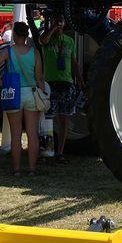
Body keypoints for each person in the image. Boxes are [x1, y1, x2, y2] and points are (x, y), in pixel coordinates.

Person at [0, 22, 46, 176]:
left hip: (14, 93)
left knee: (16, 134)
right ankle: (32, 169)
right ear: (27, 36)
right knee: (33, 134)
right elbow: (39, 79)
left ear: (13, 35)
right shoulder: (34, 53)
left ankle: (16, 169)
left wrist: (3, 84)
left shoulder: (8, 52)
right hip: (32, 93)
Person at [39, 12, 84, 163]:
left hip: (66, 83)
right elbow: (43, 40)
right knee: (48, 119)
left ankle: (60, 152)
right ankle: (47, 151)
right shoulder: (48, 38)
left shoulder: (69, 41)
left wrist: (81, 83)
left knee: (64, 119)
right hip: (50, 83)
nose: (59, 23)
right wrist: (53, 28)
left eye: (61, 21)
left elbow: (74, 63)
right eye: (56, 20)